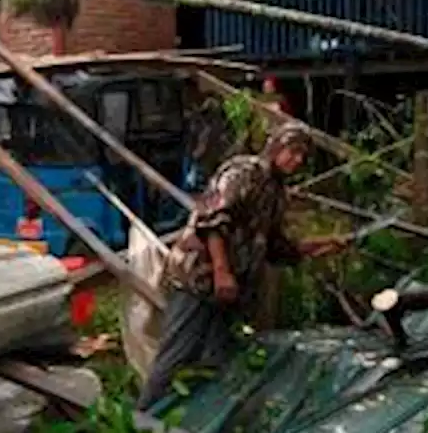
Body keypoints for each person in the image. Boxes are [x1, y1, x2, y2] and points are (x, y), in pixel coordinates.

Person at [137, 122, 350, 410]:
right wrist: (222, 271)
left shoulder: (275, 193)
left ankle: (198, 423)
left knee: (217, 358)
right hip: (200, 278)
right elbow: (213, 222)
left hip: (229, 289)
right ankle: (143, 420)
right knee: (177, 354)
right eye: (293, 152)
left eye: (302, 157)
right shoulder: (243, 173)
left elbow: (274, 246)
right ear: (276, 147)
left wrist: (319, 245)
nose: (296, 161)